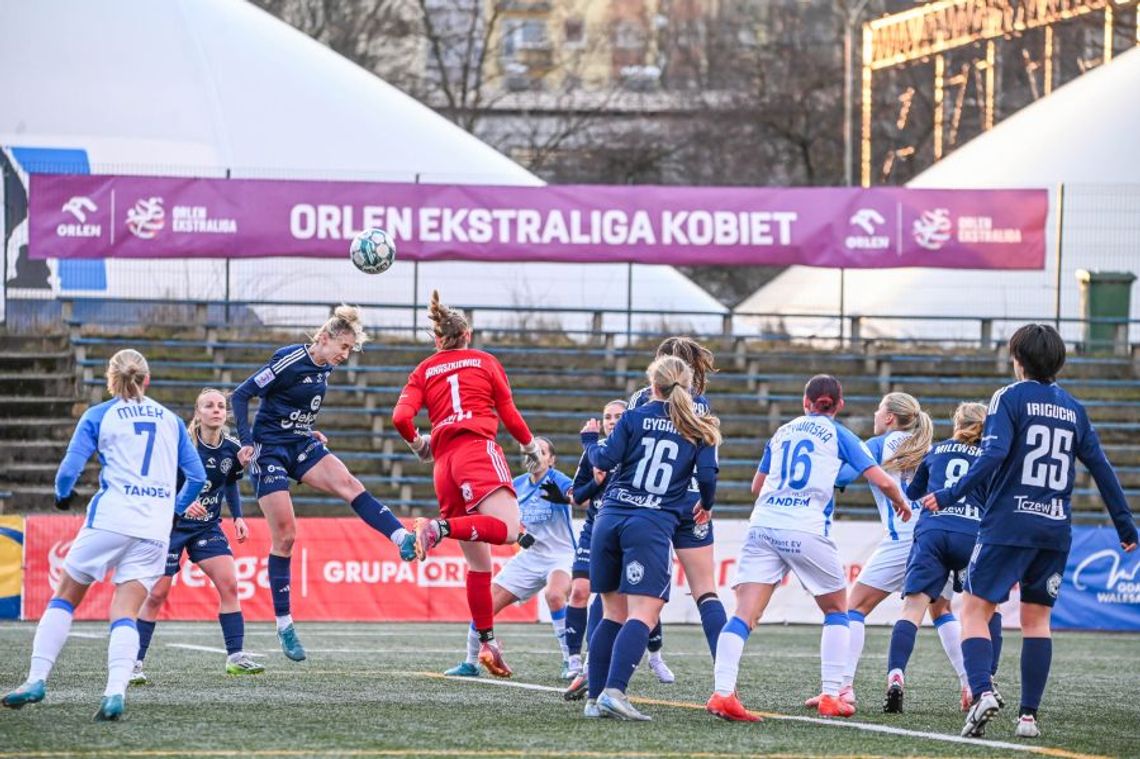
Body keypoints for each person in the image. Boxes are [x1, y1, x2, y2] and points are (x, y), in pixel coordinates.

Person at [918, 324, 1137, 739]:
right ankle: (1028, 718)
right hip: (1055, 528)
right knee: (1037, 621)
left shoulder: (1009, 397)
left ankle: (982, 691)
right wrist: (1125, 524)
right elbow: (1102, 468)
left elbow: (994, 452)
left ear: (1018, 359)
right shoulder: (1074, 408)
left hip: (1008, 523)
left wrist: (948, 494)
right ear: (1058, 361)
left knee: (974, 610)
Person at [2, 350, 206, 720]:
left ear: (111, 380)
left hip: (111, 519)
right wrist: (173, 511)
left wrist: (63, 497)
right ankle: (115, 693)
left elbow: (68, 470)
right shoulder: (172, 420)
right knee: (126, 611)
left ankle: (35, 679)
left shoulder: (99, 415)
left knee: (65, 597)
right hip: (154, 530)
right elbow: (197, 478)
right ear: (147, 379)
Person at [707, 375, 912, 722]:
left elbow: (757, 485)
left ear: (805, 402)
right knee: (837, 609)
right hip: (804, 527)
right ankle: (832, 694)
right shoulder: (840, 434)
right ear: (839, 404)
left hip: (763, 525)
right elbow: (881, 479)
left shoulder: (782, 431)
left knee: (744, 614)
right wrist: (900, 503)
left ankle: (723, 692)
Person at [231, 305, 415, 663]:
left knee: (349, 483)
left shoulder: (326, 366)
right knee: (285, 536)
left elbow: (293, 408)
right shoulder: (289, 361)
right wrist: (247, 441)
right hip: (268, 451)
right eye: (343, 347)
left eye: (349, 349)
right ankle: (284, 624)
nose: (345, 356)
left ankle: (401, 538)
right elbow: (241, 395)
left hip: (301, 444)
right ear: (324, 338)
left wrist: (304, 428)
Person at [393, 290, 541, 678]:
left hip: (443, 465)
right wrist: (529, 447)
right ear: (468, 334)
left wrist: (418, 444)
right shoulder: (486, 362)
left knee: (479, 567)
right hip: (477, 449)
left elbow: (400, 417)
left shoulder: (424, 369)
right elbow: (508, 411)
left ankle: (487, 644)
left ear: (438, 340)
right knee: (509, 530)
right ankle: (437, 528)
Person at [580, 356, 720, 721]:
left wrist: (589, 440)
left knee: (612, 611)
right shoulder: (696, 425)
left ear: (651, 386)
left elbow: (603, 460)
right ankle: (615, 691)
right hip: (651, 522)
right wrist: (706, 504)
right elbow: (707, 475)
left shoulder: (632, 416)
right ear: (687, 387)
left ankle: (595, 699)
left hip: (608, 518)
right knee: (644, 612)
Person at [820, 392, 958, 710]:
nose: (874, 412)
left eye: (878, 408)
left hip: (901, 540)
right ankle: (971, 687)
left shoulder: (877, 445)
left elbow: (842, 477)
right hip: (935, 538)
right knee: (942, 611)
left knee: (852, 608)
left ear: (889, 418)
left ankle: (843, 688)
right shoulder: (930, 447)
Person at [130, 388, 264, 685]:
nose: (216, 410)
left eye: (220, 406)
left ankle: (236, 657)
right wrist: (180, 500)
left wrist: (238, 517)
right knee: (156, 595)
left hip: (207, 526)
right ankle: (134, 662)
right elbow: (156, 482)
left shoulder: (231, 448)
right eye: (209, 405)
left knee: (229, 584)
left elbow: (229, 484)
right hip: (170, 527)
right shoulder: (181, 446)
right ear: (197, 412)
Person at [883, 402, 1003, 714]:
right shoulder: (991, 458)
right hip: (972, 535)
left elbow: (913, 495)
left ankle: (896, 676)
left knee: (912, 610)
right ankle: (984, 682)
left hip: (933, 532)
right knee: (987, 609)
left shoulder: (936, 451)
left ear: (957, 425)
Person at [563, 399, 674, 699]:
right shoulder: (596, 451)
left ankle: (654, 655)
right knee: (591, 594)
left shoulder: (637, 446)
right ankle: (582, 664)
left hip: (631, 528)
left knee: (638, 600)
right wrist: (596, 482)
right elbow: (578, 496)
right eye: (607, 417)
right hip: (597, 530)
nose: (612, 421)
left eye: (618, 416)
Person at [442, 437, 576, 679]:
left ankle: (571, 663)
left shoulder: (558, 479)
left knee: (554, 595)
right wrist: (520, 535)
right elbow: (506, 519)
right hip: (530, 557)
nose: (534, 456)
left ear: (551, 460)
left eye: (541, 452)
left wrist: (566, 497)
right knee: (485, 605)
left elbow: (583, 497)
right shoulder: (516, 485)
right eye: (531, 451)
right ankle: (471, 663)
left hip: (561, 556)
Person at [629, 337, 727, 662]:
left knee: (624, 594)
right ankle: (727, 680)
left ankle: (593, 670)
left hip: (649, 503)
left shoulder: (641, 399)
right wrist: (708, 503)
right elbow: (708, 464)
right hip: (694, 503)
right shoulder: (701, 404)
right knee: (707, 592)